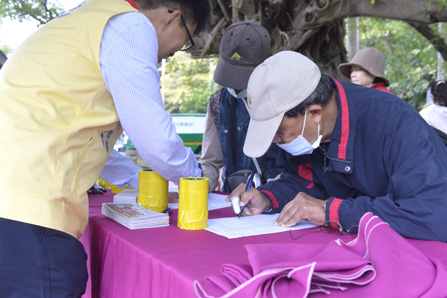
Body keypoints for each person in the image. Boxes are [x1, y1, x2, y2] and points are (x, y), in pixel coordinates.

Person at [0, 0, 210, 296]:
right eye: (185, 43)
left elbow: (90, 143)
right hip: (32, 212)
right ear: (171, 18)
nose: (171, 56)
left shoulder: (88, 19)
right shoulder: (132, 25)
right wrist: (196, 177)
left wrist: (138, 179)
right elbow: (156, 141)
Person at [231, 51, 447, 242]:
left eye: (279, 132)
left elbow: (429, 215)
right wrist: (268, 197)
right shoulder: (307, 132)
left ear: (315, 113)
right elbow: (305, 182)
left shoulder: (394, 123)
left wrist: (329, 211)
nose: (275, 142)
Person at [200, 21, 281, 193]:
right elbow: (210, 161)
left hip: (276, 196)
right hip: (231, 197)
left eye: (242, 78)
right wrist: (199, 188)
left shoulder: (283, 100)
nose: (235, 87)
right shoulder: (217, 102)